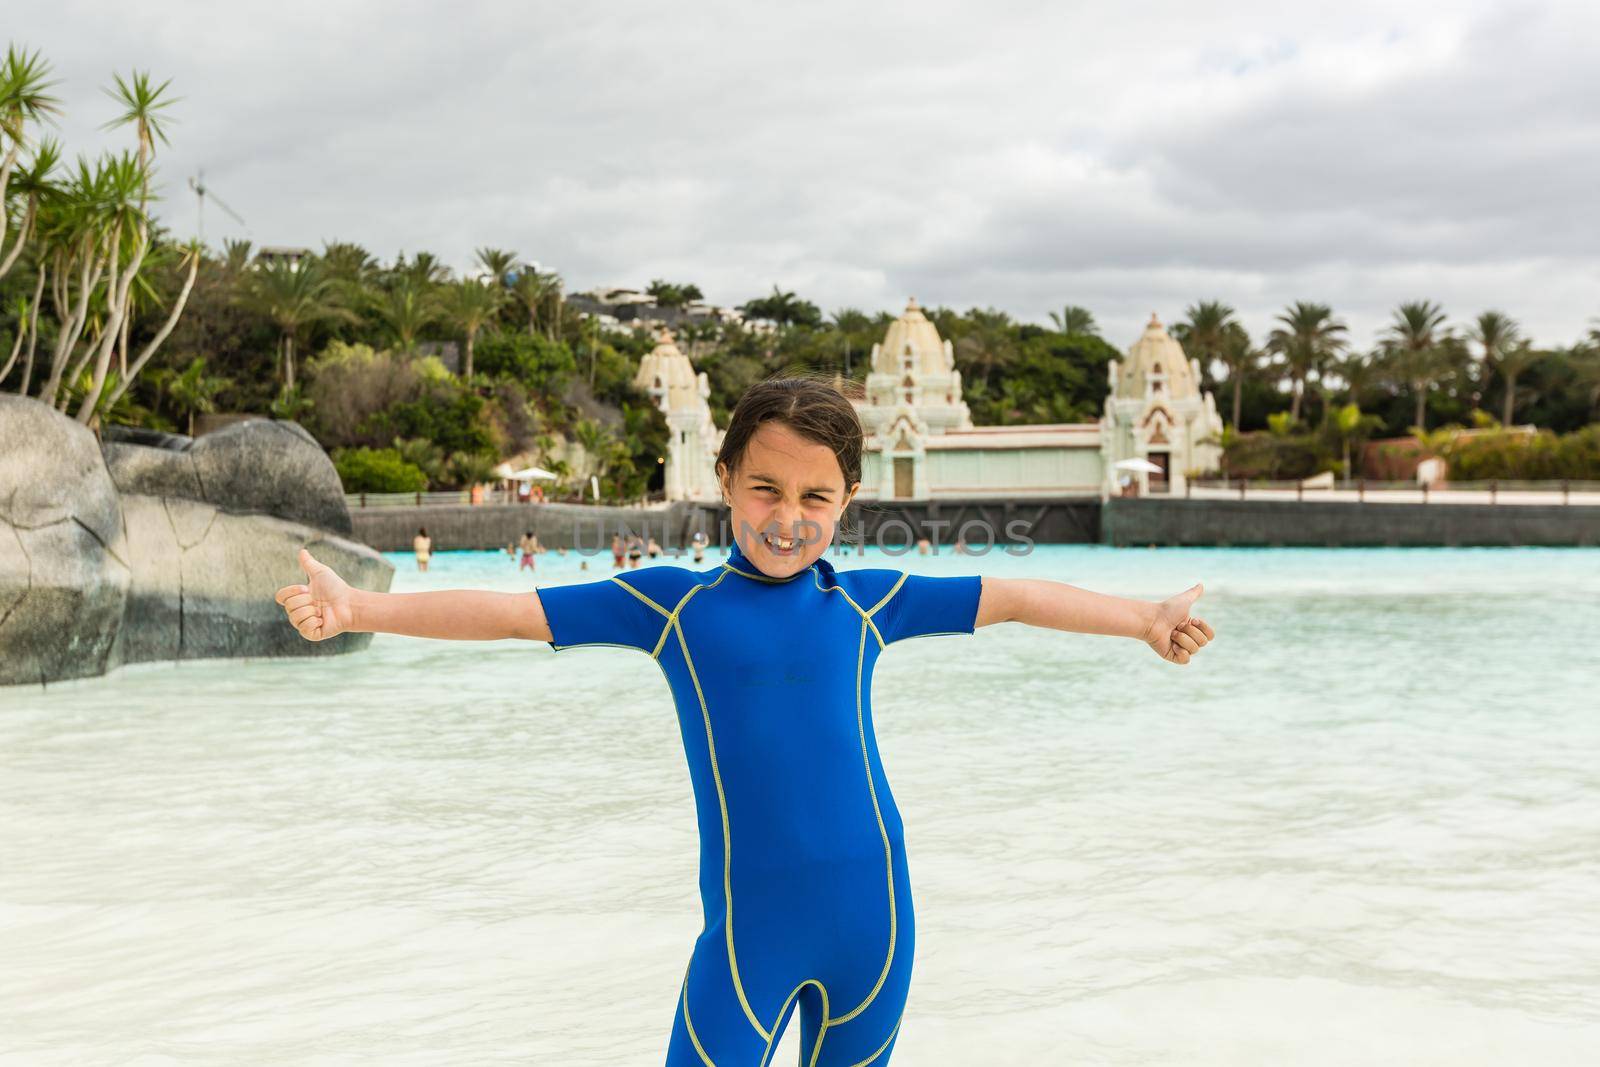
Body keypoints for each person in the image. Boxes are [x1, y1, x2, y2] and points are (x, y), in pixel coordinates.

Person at [274, 375, 1215, 1066]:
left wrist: (1142, 620)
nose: (788, 517)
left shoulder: (867, 602)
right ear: (725, 480)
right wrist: (360, 611)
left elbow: (1010, 595)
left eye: (816, 497)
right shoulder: (673, 605)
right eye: (765, 488)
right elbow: (518, 613)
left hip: (878, 925)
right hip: (746, 939)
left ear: (849, 499)